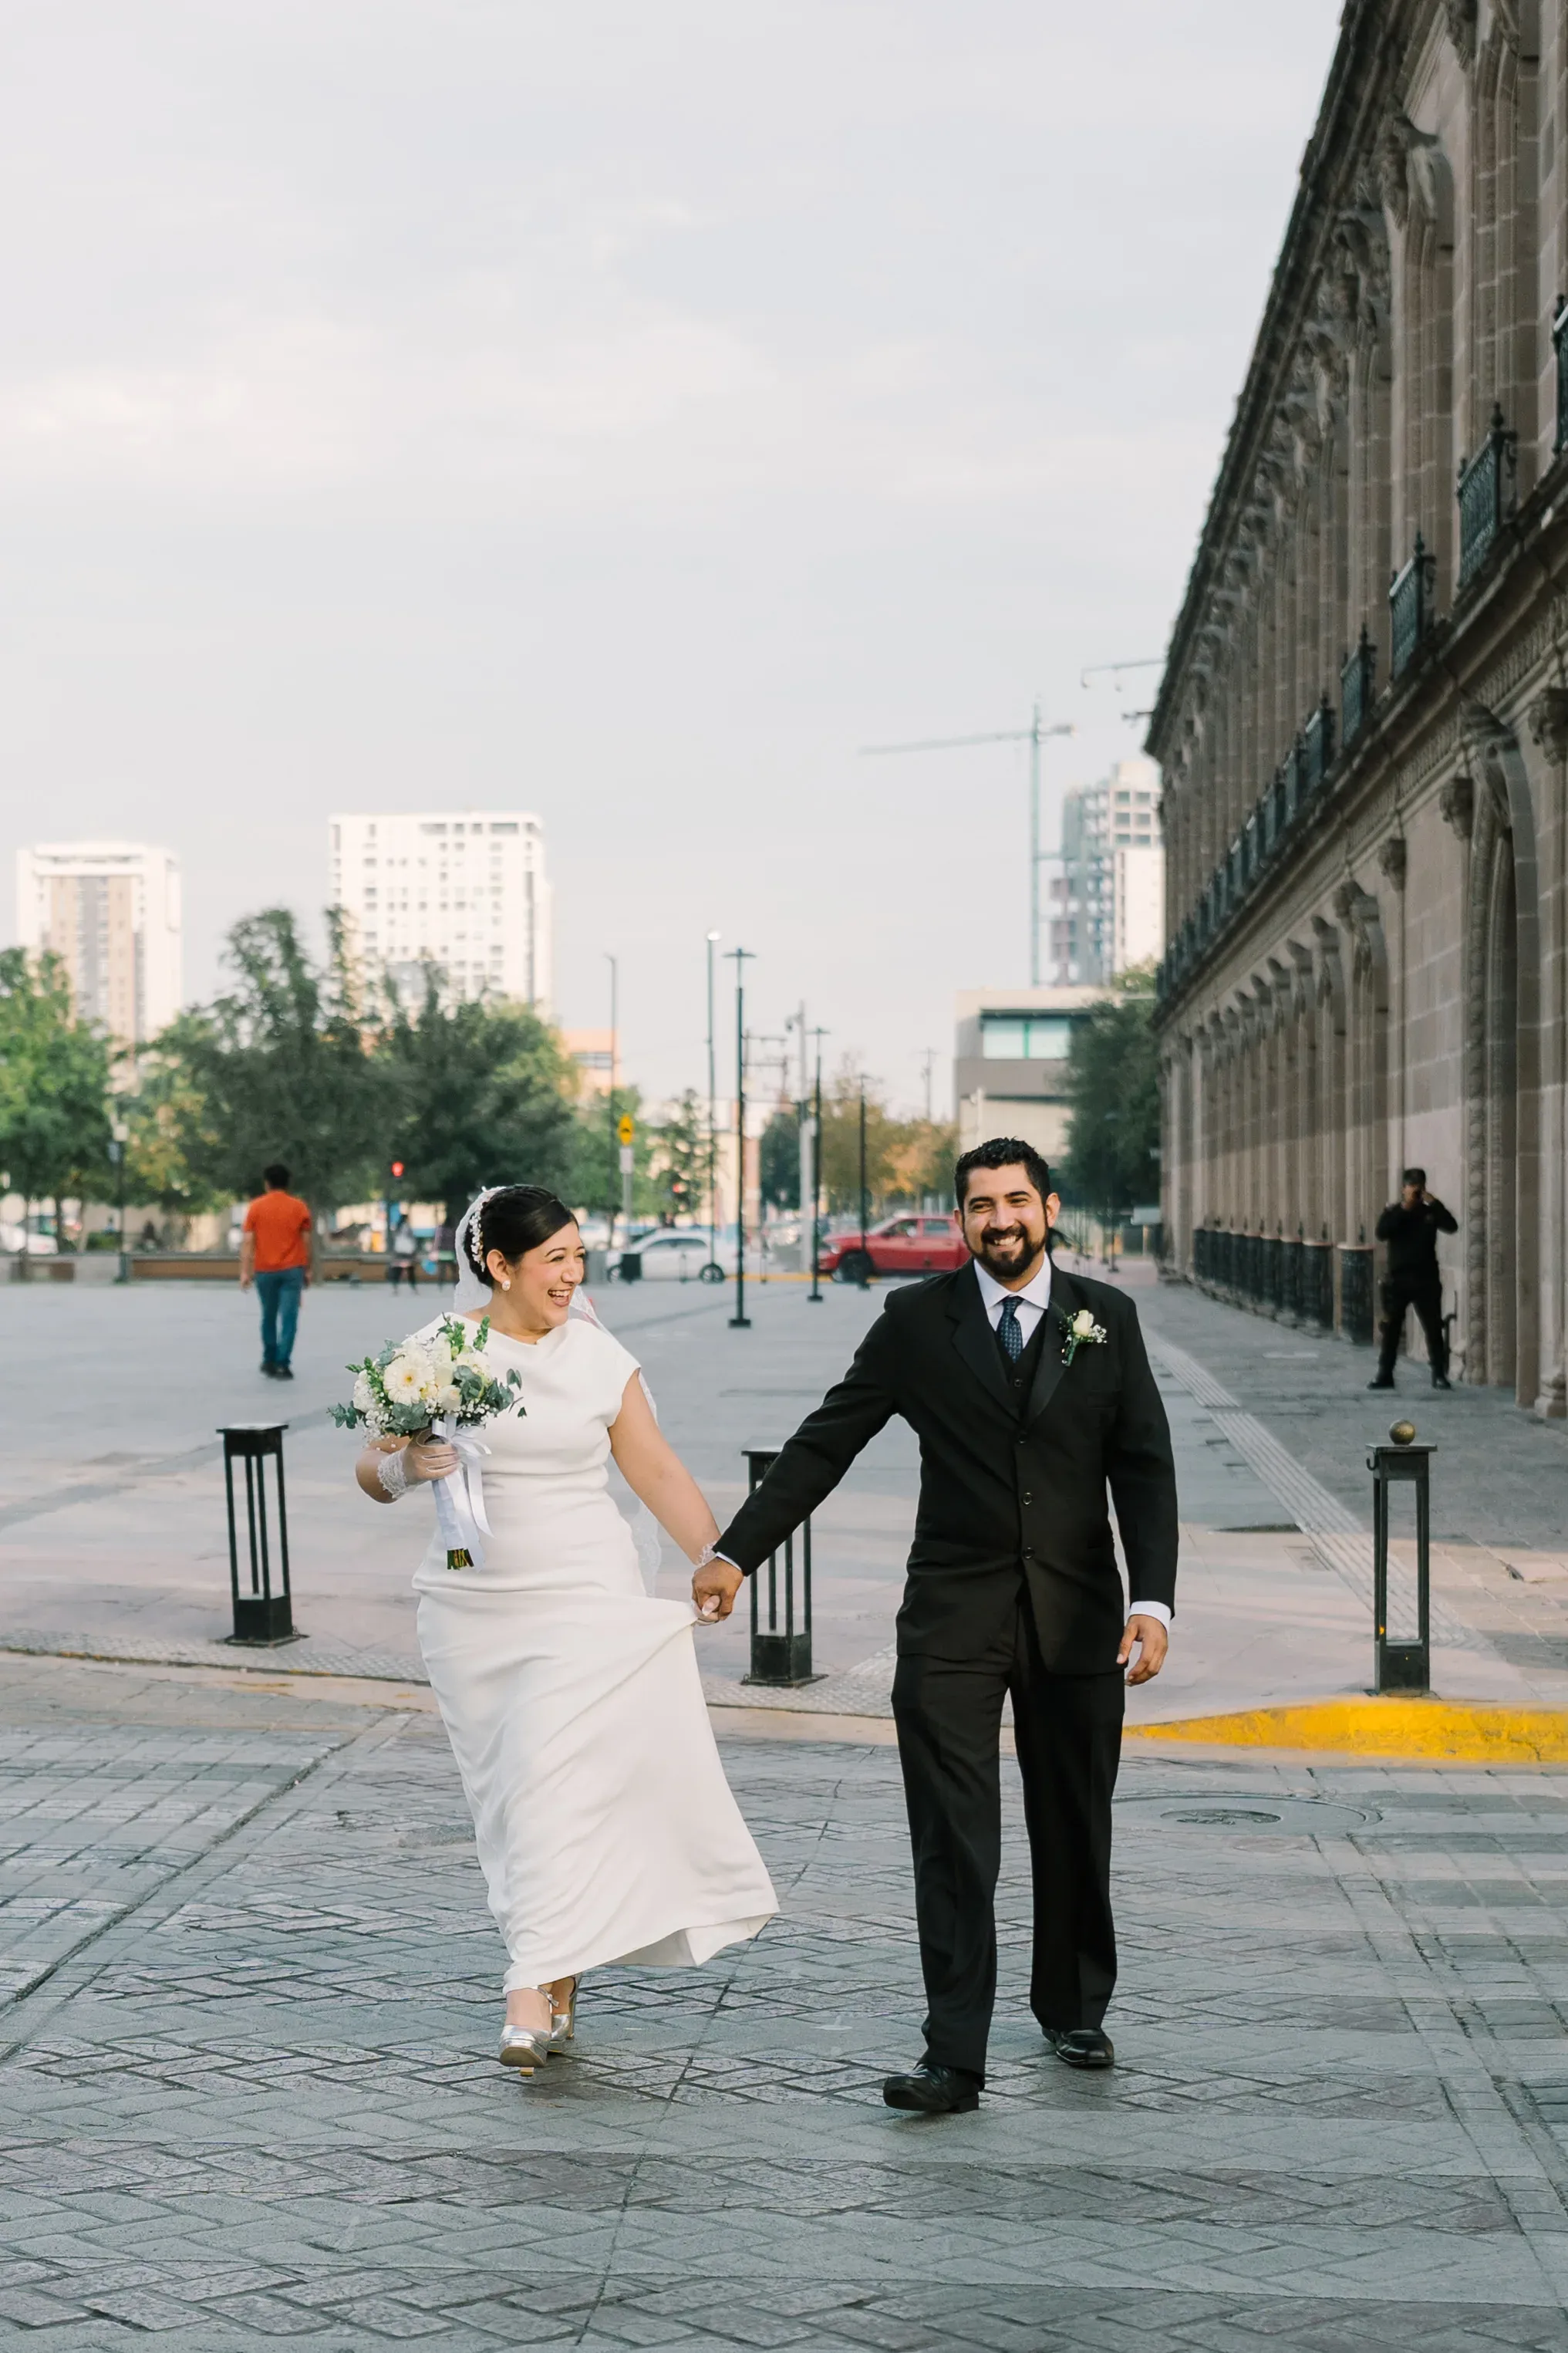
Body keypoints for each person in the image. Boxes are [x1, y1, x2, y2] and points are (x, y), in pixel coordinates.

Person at [694, 1137, 1178, 2115]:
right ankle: (952, 2053)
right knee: (953, 1839)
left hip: (1078, 1613)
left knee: (1073, 1820)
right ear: (959, 1219)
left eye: (1014, 1201)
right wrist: (735, 1550)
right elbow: (826, 1440)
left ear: (1047, 1207)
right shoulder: (916, 1320)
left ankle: (1073, 2003)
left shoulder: (1106, 1319)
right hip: (952, 1615)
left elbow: (1144, 1467)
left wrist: (1151, 1599)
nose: (998, 1219)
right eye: (978, 1205)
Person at [355, 1183, 776, 2074]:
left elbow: (653, 1466)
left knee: (549, 1772)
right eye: (554, 1258)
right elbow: (371, 1463)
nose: (572, 1273)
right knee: (512, 1798)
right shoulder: (435, 1350)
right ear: (498, 1264)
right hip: (473, 1608)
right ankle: (562, 1972)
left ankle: (525, 1982)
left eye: (578, 1255)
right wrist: (407, 1466)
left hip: (584, 1594)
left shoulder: (598, 1355)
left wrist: (713, 1551)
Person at [1370, 1169, 1457, 1392]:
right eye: (1411, 1186)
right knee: (1391, 1330)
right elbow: (1382, 1232)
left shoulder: (1429, 1212)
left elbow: (1451, 1226)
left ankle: (1439, 1374)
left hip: (1426, 1279)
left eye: (1419, 1186)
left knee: (1433, 1329)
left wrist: (1434, 1202)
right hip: (1398, 1280)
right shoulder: (1393, 1212)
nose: (1415, 1190)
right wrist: (1404, 1208)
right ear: (1404, 1188)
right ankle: (1385, 1374)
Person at [239, 1163, 313, 1382]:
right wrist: (307, 1269)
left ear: (267, 1183)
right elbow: (306, 1241)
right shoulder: (299, 1207)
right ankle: (283, 1362)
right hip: (292, 1270)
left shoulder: (256, 1207)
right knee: (289, 1317)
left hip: (265, 1271)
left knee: (268, 1316)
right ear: (287, 1183)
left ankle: (269, 1359)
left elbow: (248, 1241)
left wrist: (245, 1272)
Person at [387, 1215, 420, 1292]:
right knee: (410, 1270)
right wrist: (414, 1251)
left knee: (398, 1270)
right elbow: (412, 1239)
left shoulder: (397, 1228)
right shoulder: (408, 1228)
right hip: (408, 1251)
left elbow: (394, 1240)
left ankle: (395, 1287)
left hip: (399, 1252)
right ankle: (413, 1287)